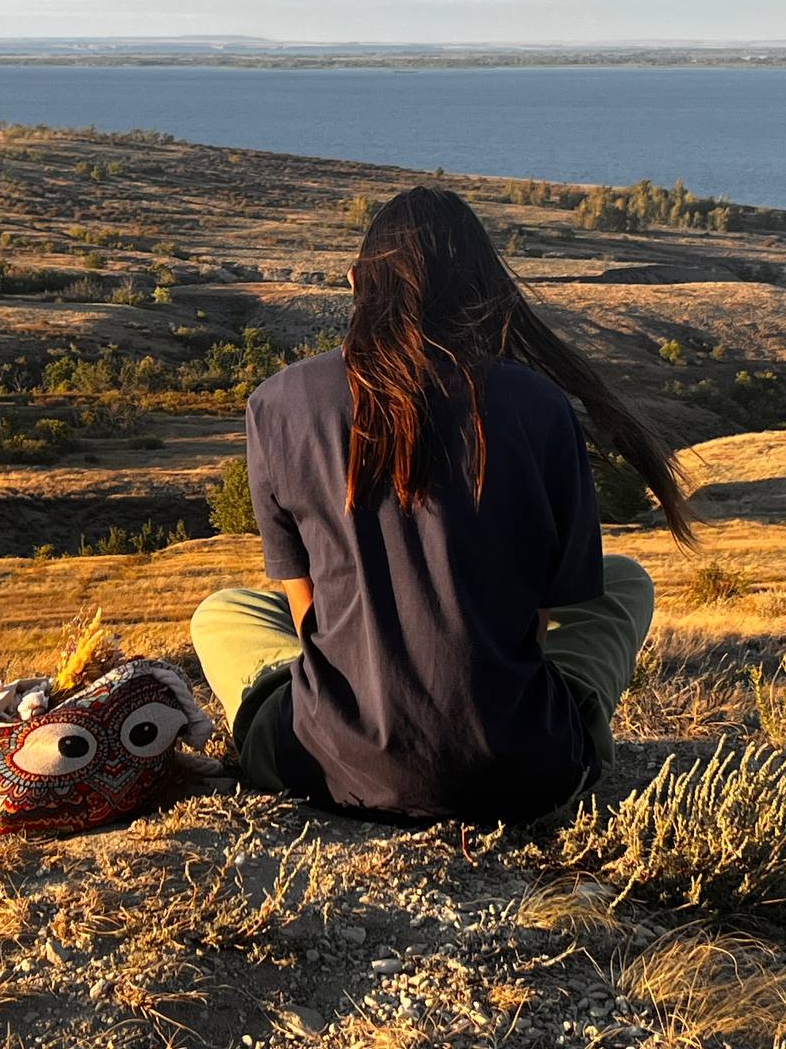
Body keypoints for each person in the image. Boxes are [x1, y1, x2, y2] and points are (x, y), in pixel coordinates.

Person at [190, 187, 697, 823]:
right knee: (626, 581)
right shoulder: (540, 407)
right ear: (486, 289)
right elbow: (538, 622)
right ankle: (557, 720)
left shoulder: (278, 403)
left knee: (222, 612)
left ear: (356, 282)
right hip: (523, 769)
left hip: (329, 766)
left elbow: (306, 610)